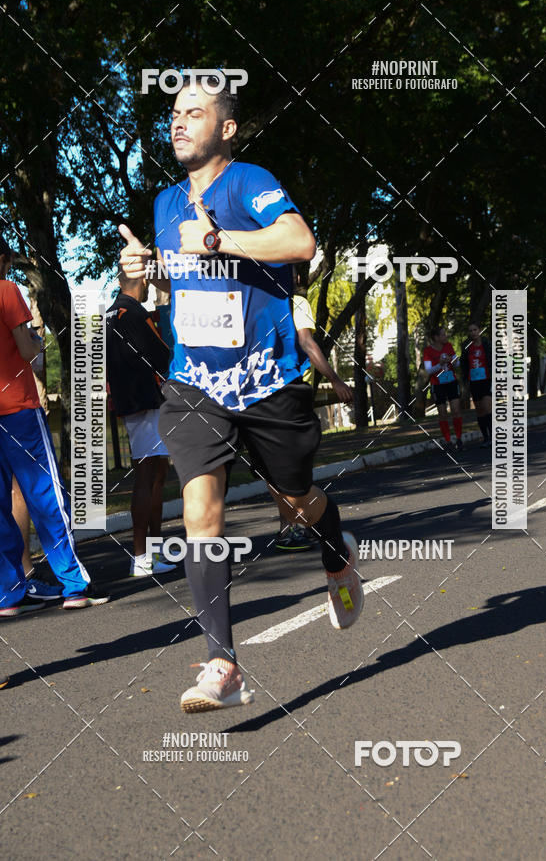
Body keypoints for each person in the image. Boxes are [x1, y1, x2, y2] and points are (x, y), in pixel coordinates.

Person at [119, 75, 362, 712]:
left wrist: (221, 239)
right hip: (196, 382)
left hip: (267, 380)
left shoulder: (248, 180)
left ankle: (335, 551)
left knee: (294, 500)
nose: (178, 123)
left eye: (194, 113)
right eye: (174, 113)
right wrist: (144, 278)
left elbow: (298, 241)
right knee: (200, 513)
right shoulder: (167, 202)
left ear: (225, 128)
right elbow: (188, 282)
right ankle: (222, 663)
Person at [0, 235, 108, 613]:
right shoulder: (6, 289)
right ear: (3, 259)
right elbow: (30, 351)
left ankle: (9, 593)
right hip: (17, 409)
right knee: (47, 496)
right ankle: (74, 586)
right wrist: (34, 336)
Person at [273, 277, 354, 552]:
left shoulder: (255, 301)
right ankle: (300, 523)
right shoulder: (297, 303)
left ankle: (289, 527)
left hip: (258, 396)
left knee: (275, 466)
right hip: (288, 394)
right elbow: (307, 343)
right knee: (292, 465)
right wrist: (335, 378)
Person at [106, 270, 175, 577]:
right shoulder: (135, 312)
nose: (149, 287)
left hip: (130, 400)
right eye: (148, 282)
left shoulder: (109, 313)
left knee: (157, 473)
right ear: (140, 281)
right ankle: (142, 557)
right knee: (148, 475)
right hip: (146, 399)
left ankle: (153, 553)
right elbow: (162, 355)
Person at [423, 325, 463, 450]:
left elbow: (457, 363)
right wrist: (440, 364)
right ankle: (448, 440)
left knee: (456, 410)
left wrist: (453, 359)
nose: (446, 336)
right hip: (438, 384)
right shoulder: (428, 351)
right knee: (443, 413)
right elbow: (429, 371)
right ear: (436, 337)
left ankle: (459, 439)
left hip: (451, 382)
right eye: (443, 334)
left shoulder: (449, 346)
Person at [460, 322, 492, 447]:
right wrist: (464, 379)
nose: (473, 332)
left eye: (475, 329)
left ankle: (493, 437)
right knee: (479, 410)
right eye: (470, 330)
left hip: (487, 379)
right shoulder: (466, 346)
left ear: (479, 330)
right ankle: (486, 438)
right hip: (474, 381)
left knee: (487, 407)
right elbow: (463, 363)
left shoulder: (487, 344)